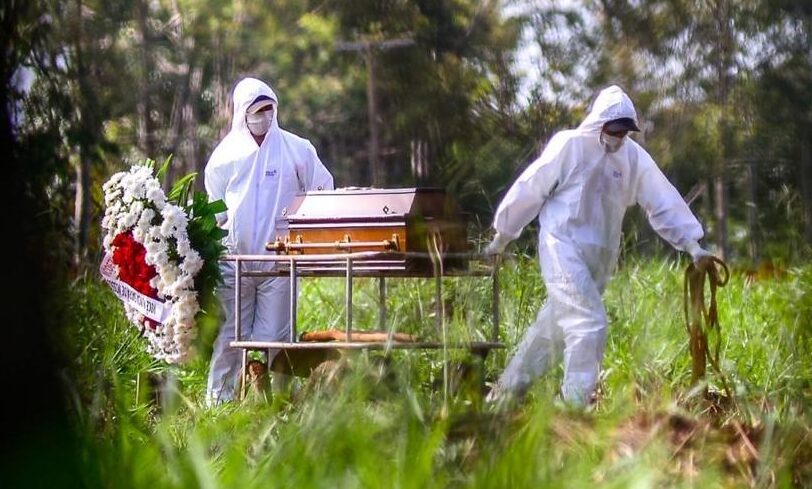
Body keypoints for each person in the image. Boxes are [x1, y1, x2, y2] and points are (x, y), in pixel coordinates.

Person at [484, 85, 713, 407]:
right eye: (614, 129)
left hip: (600, 258)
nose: (619, 136)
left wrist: (692, 245)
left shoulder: (633, 157)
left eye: (625, 131)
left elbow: (662, 200)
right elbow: (531, 188)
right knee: (588, 323)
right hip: (562, 247)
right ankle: (574, 406)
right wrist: (503, 236)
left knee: (552, 331)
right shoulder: (570, 146)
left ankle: (503, 397)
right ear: (598, 124)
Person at [204, 77, 334, 405]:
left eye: (269, 109)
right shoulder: (224, 158)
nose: (264, 115)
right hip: (234, 264)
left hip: (280, 263)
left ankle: (273, 407)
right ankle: (219, 406)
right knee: (230, 338)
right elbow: (214, 210)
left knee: (276, 339)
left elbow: (323, 190)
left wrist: (307, 236)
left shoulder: (298, 149)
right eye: (257, 110)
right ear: (242, 114)